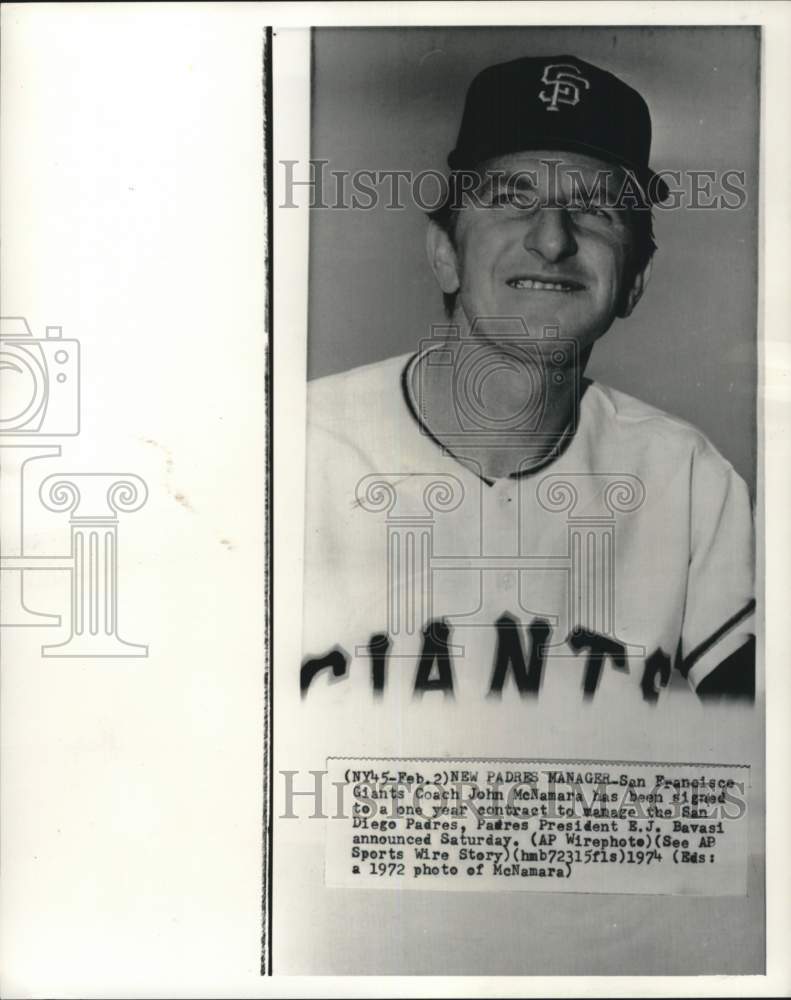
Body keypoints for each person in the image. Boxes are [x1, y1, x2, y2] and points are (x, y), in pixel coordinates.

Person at [300, 55, 755, 706]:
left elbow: (763, 760)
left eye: (595, 210)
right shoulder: (290, 454)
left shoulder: (685, 477)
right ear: (445, 254)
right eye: (512, 199)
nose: (550, 240)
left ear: (633, 282)